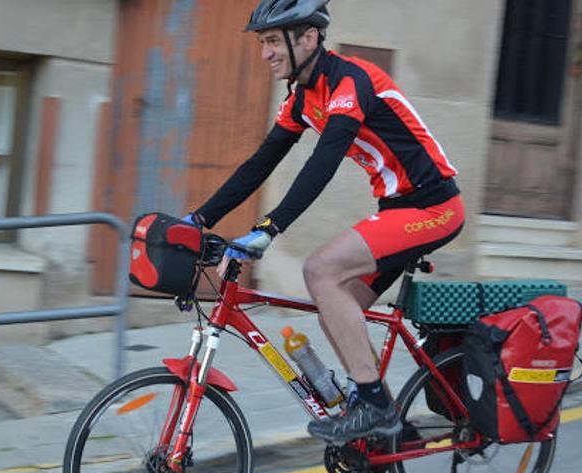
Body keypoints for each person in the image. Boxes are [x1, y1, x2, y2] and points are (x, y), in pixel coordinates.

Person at [183, 0, 465, 443]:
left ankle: (373, 407)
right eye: (263, 43)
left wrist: (269, 229)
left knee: (320, 271)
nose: (265, 54)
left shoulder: (351, 80)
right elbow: (261, 163)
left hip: (434, 208)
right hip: (398, 211)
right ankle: (390, 428)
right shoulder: (301, 98)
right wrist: (198, 219)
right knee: (338, 309)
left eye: (274, 41)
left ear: (309, 38)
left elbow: (324, 160)